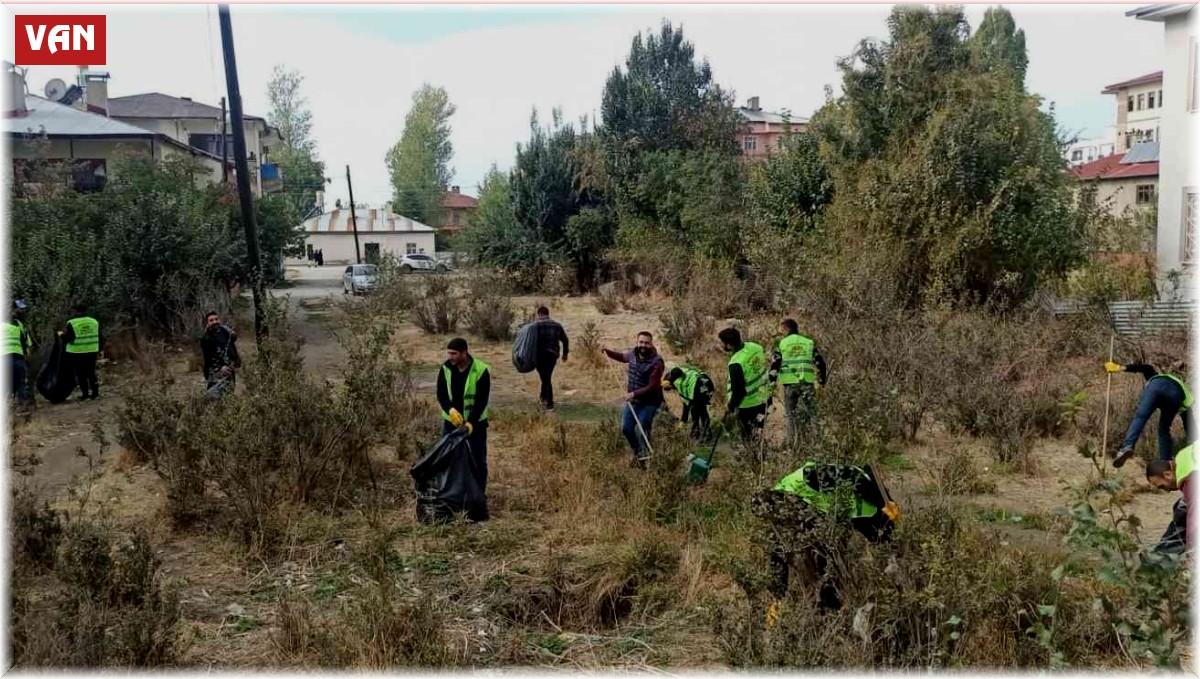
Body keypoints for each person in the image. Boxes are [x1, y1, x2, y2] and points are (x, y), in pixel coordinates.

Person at [753, 460, 900, 612]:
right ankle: (833, 609)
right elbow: (778, 555)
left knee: (892, 549)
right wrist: (777, 599)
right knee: (826, 564)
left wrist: (884, 501)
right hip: (835, 522)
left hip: (866, 506)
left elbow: (856, 476)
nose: (781, 522)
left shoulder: (807, 476)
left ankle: (899, 599)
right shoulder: (780, 516)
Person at [1108, 360, 1194, 467]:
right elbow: (1190, 425)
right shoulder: (1185, 391)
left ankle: (1127, 446)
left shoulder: (1157, 376)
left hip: (1155, 387)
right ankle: (1165, 462)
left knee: (1140, 417)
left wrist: (1119, 368)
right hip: (1175, 395)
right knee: (1164, 429)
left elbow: (1146, 367)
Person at [436, 337, 492, 494]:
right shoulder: (446, 368)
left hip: (476, 425)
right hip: (451, 423)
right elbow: (441, 394)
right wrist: (450, 410)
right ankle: (450, 493)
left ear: (464, 353)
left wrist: (471, 422)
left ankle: (479, 494)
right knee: (447, 458)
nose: (450, 357)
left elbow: (482, 400)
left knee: (477, 460)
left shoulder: (480, 370)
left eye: (454, 354)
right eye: (449, 353)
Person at [603, 332, 665, 463]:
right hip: (633, 402)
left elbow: (653, 386)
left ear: (651, 343)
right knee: (626, 428)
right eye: (641, 342)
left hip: (649, 402)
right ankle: (639, 454)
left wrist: (633, 393)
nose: (643, 345)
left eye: (646, 343)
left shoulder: (657, 362)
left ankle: (646, 458)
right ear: (637, 342)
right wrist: (607, 352)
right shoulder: (633, 354)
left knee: (643, 430)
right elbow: (622, 357)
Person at [773, 319, 828, 445]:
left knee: (790, 415)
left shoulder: (782, 344)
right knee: (813, 413)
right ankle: (818, 442)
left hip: (789, 386)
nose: (780, 333)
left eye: (781, 330)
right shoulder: (808, 343)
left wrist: (771, 385)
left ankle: (793, 443)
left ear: (786, 329)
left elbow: (775, 366)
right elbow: (821, 363)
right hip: (807, 384)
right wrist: (822, 381)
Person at [718, 327, 771, 443]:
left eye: (723, 343)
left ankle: (752, 458)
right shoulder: (755, 347)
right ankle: (761, 454)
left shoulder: (736, 363)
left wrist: (730, 406)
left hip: (748, 405)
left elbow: (739, 391)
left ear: (728, 345)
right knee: (759, 432)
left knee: (748, 436)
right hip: (765, 397)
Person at [1145, 443, 1194, 554]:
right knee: (1181, 505)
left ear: (1167, 474)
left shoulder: (1189, 479)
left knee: (1183, 509)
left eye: (1162, 486)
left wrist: (1191, 551)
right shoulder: (1182, 457)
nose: (1167, 491)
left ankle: (1166, 553)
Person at [662, 365, 715, 441]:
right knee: (701, 408)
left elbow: (686, 408)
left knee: (695, 410)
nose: (673, 390)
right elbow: (686, 406)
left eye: (671, 389)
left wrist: (681, 424)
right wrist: (682, 421)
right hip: (708, 382)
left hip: (698, 386)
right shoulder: (685, 372)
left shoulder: (678, 383)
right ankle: (704, 432)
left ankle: (698, 433)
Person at [532, 306, 569, 411]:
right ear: (548, 313)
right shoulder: (557, 325)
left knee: (546, 378)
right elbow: (565, 340)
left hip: (539, 355)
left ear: (539, 314)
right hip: (553, 355)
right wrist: (565, 354)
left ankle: (549, 403)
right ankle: (543, 397)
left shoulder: (535, 326)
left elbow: (528, 341)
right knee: (546, 376)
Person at [61, 303, 101, 401]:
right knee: (91, 373)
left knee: (81, 374)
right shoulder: (94, 321)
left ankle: (85, 394)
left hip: (77, 352)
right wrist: (100, 349)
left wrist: (61, 335)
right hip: (91, 351)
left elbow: (70, 338)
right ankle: (95, 393)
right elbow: (100, 336)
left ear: (76, 311)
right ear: (86, 310)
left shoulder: (71, 322)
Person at [200, 311, 242, 399]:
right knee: (215, 395)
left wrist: (236, 360)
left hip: (229, 366)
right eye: (211, 320)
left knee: (230, 390)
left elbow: (233, 339)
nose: (215, 321)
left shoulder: (224, 330)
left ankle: (227, 410)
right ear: (207, 323)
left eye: (216, 319)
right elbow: (208, 358)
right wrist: (220, 367)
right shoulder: (206, 338)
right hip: (216, 371)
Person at [5, 299, 33, 407]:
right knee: (20, 382)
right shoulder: (19, 324)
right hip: (16, 357)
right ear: (12, 309)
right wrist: (27, 356)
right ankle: (20, 405)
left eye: (23, 309)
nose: (22, 311)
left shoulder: (19, 324)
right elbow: (27, 343)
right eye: (20, 309)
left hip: (14, 357)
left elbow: (26, 342)